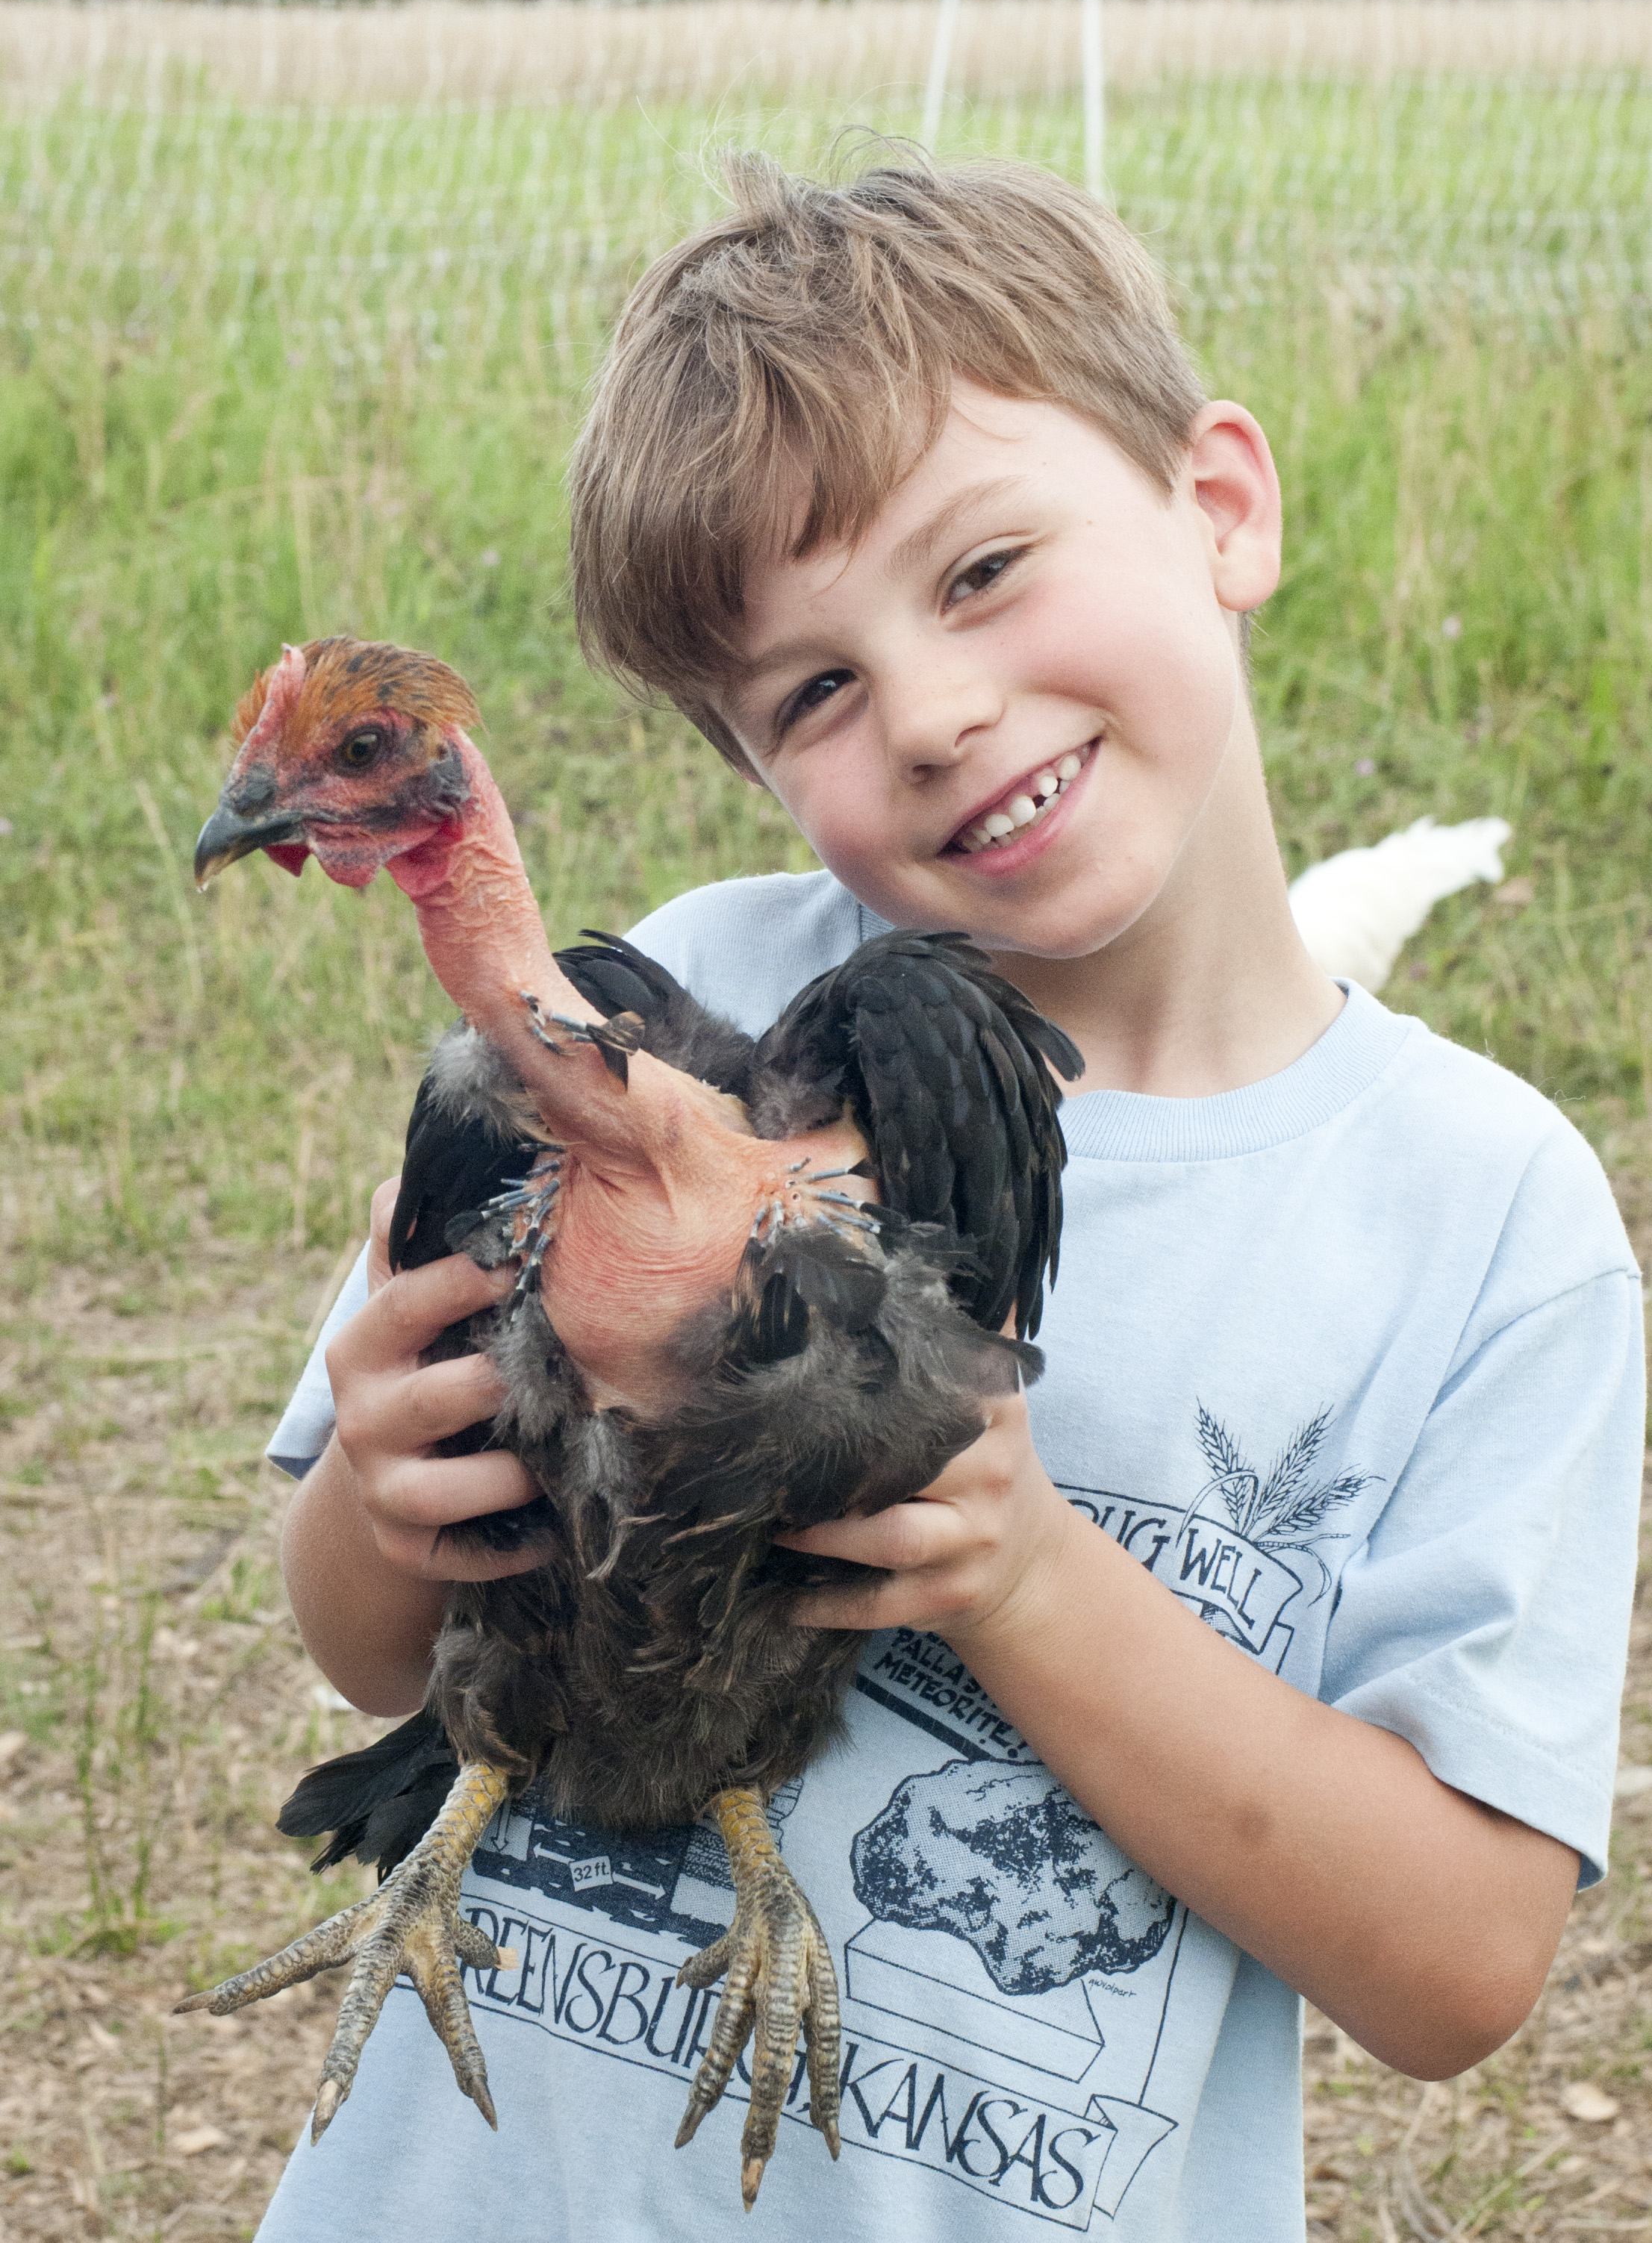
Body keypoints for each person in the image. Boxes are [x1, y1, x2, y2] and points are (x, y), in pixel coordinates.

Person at [255, 155, 1642, 2242]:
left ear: (1220, 505)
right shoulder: (654, 1019)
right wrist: (381, 1493)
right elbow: (368, 1651)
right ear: (750, 763)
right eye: (811, 691)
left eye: (984, 568)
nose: (930, 712)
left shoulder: (1479, 1221)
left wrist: (1031, 1580)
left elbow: (1456, 1968)